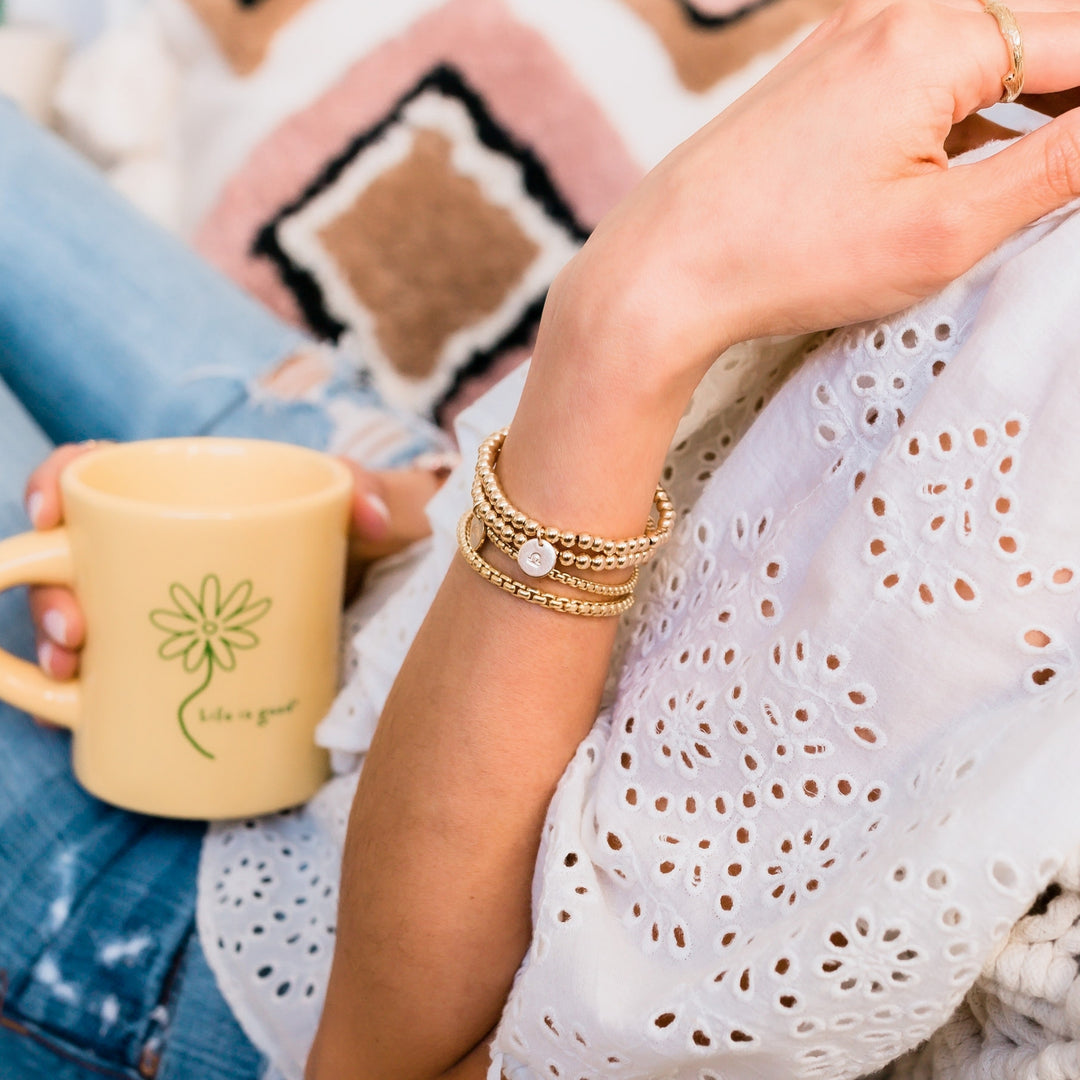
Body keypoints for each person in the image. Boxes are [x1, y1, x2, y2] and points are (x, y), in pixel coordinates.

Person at [9, 0, 1080, 1077]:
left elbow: (383, 1061)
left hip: (233, 934)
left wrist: (634, 309)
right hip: (429, 542)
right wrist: (416, 514)